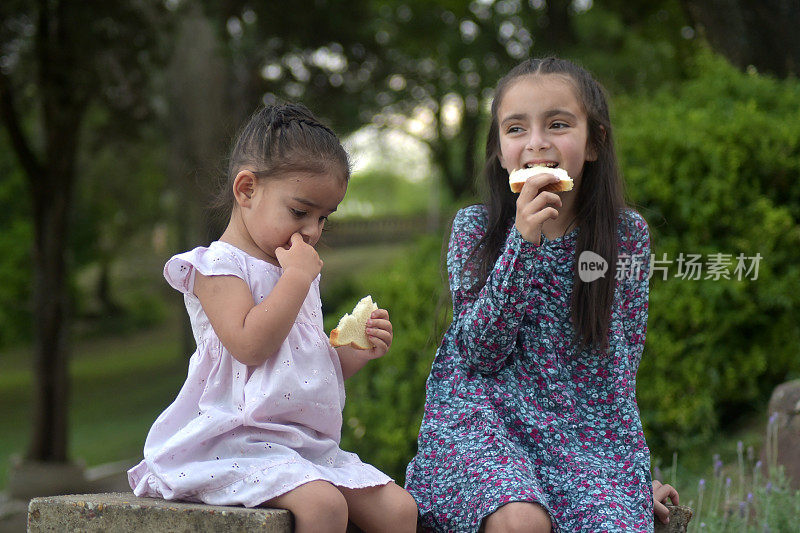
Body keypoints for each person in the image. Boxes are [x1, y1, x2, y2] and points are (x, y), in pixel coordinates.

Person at [404, 57, 678, 532]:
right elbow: (480, 351)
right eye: (516, 129)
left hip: (579, 439)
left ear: (594, 142)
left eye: (557, 124)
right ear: (499, 150)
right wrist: (522, 244)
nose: (536, 143)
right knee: (520, 519)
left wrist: (631, 477)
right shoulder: (475, 228)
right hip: (483, 426)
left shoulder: (625, 236)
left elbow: (618, 369)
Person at [128, 103, 418, 533]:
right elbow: (251, 346)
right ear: (246, 190)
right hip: (236, 441)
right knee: (324, 508)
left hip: (305, 448)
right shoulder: (218, 267)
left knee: (399, 510)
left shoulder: (292, 270)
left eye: (324, 217)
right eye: (300, 212)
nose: (313, 231)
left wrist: (356, 350)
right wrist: (297, 280)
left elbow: (301, 368)